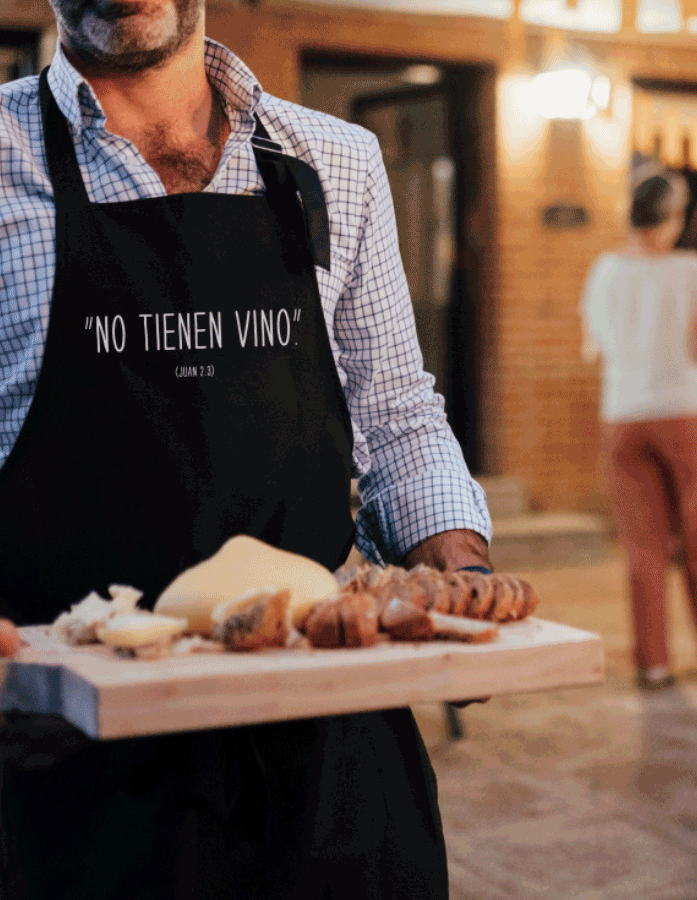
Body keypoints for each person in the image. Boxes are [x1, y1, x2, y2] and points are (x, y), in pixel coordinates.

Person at [0, 1, 533, 896]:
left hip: (324, 737)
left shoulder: (337, 158)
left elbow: (395, 414)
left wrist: (457, 575)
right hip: (70, 745)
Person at [581, 162, 697, 692]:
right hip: (683, 414)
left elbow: (594, 346)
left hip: (622, 416)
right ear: (670, 217)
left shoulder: (603, 270)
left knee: (642, 546)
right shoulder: (688, 271)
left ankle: (654, 664)